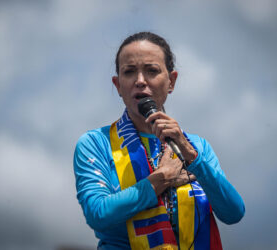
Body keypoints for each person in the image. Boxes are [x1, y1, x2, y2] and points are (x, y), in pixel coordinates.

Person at [73, 32, 245, 250]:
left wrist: (194, 159)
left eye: (152, 71)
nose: (140, 81)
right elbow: (98, 213)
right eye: (129, 72)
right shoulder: (96, 143)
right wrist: (161, 179)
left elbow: (233, 213)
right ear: (117, 85)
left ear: (171, 81)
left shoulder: (197, 147)